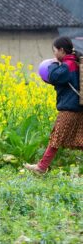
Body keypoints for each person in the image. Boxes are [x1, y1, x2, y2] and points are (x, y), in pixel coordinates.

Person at [24, 36, 83, 174]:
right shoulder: (75, 62)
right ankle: (42, 167)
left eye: (55, 51)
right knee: (78, 139)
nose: (54, 55)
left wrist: (54, 64)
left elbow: (54, 76)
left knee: (56, 138)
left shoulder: (68, 66)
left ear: (62, 50)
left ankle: (41, 167)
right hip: (78, 107)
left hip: (70, 109)